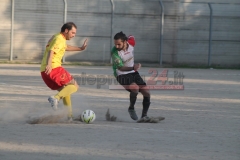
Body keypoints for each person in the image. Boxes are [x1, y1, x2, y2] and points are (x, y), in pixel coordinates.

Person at [111, 31, 164, 123]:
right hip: (121, 74)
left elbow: (132, 36)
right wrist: (133, 67)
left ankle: (144, 116)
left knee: (146, 92)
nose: (116, 46)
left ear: (125, 41)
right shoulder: (114, 52)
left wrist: (133, 68)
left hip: (133, 72)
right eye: (115, 44)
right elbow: (120, 67)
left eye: (119, 44)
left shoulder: (131, 43)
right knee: (135, 88)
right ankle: (131, 108)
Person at [40, 22, 88, 121]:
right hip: (53, 68)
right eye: (73, 33)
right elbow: (51, 51)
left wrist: (80, 48)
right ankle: (56, 98)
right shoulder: (59, 39)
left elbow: (66, 47)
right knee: (74, 85)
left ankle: (69, 116)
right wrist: (49, 64)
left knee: (66, 90)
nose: (74, 35)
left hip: (44, 71)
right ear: (66, 30)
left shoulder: (57, 37)